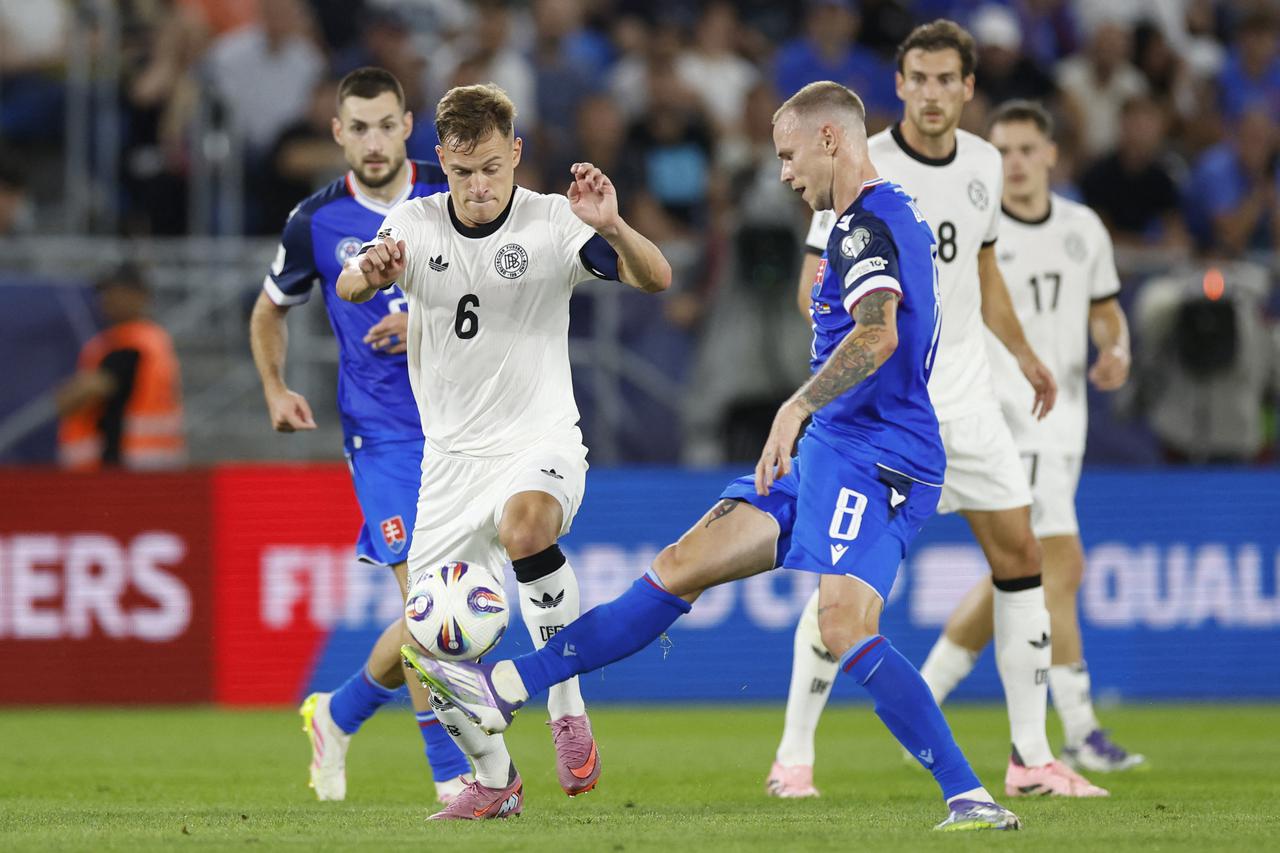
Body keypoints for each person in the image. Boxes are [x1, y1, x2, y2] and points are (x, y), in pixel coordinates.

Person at [402, 80, 1022, 833]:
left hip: (879, 457)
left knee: (844, 625)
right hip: (831, 449)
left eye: (790, 156)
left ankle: (970, 795)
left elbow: (877, 331)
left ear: (831, 140)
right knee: (681, 564)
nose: (786, 174)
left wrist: (797, 404)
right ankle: (506, 683)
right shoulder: (884, 216)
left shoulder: (863, 227)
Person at [774, 20, 1107, 799]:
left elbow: (985, 276)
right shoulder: (860, 166)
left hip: (970, 396)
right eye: (915, 79)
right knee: (841, 581)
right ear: (899, 86)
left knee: (1020, 558)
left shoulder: (987, 165)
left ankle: (1029, 755)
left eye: (944, 80)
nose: (929, 93)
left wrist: (1024, 354)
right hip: (884, 410)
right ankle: (794, 757)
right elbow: (812, 285)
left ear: (967, 88)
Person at [337, 82, 671, 819]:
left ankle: (566, 705)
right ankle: (495, 779)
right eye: (462, 172)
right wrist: (371, 273)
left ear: (515, 153)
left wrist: (615, 227)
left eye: (492, 167)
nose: (479, 186)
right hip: (450, 466)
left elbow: (657, 277)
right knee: (425, 645)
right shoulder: (414, 223)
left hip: (540, 440)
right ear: (441, 164)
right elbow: (352, 278)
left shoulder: (554, 222)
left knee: (528, 527)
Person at [248, 66, 472, 806]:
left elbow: (509, 288)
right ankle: (455, 779)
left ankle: (337, 714)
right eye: (358, 127)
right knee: (431, 606)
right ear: (337, 132)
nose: (373, 141)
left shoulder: (456, 190)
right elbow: (269, 310)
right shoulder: (315, 221)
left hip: (472, 423)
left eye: (386, 124)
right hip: (384, 436)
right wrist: (277, 387)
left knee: (450, 607)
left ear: (407, 125)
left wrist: (425, 321)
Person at [915, 100, 1143, 773]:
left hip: (1063, 419)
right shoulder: (975, 222)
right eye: (1003, 150)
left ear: (1050, 155)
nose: (1013, 162)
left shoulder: (1083, 228)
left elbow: (1106, 311)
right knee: (1057, 563)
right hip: (1000, 416)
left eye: (1025, 149)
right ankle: (1075, 727)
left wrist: (1117, 348)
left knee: (1017, 567)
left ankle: (923, 696)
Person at [57, 264, 185, 471]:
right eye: (105, 292)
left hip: (126, 464)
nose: (107, 299)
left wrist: (67, 393)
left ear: (139, 295)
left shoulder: (129, 344)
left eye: (116, 292)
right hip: (155, 462)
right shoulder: (155, 340)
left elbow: (79, 395)